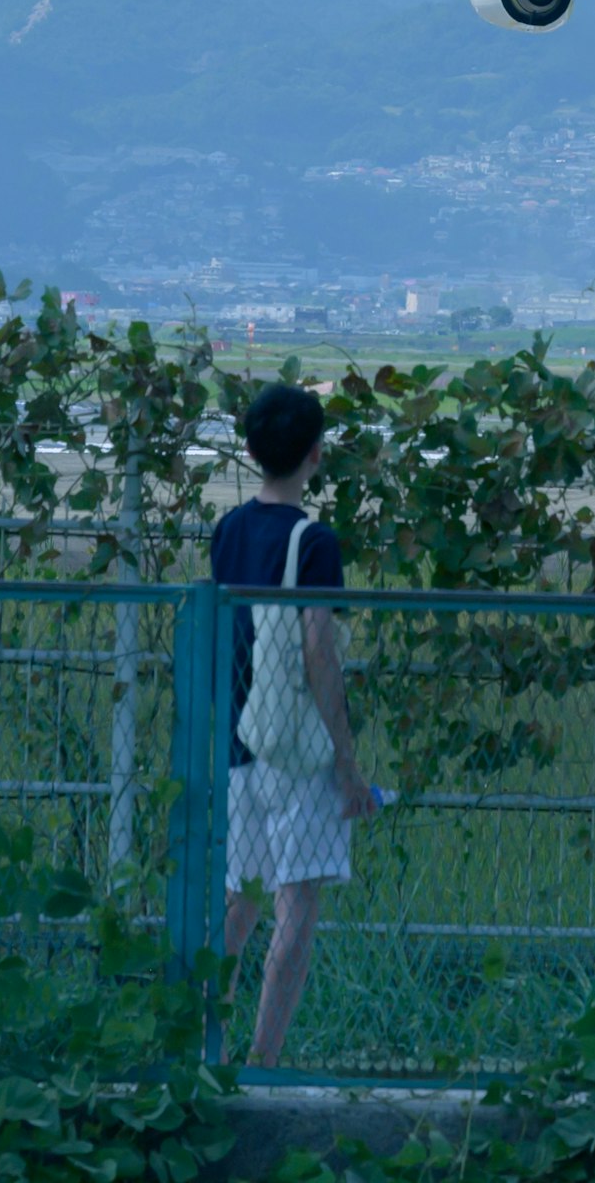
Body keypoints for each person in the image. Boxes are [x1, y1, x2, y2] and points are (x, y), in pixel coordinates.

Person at [214, 379, 377, 1064]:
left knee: (240, 899)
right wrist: (348, 763)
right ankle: (263, 1063)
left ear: (252, 452)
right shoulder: (314, 542)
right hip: (298, 750)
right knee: (296, 911)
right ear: (316, 454)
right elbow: (318, 650)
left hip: (240, 741)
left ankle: (201, 1042)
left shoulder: (228, 530)